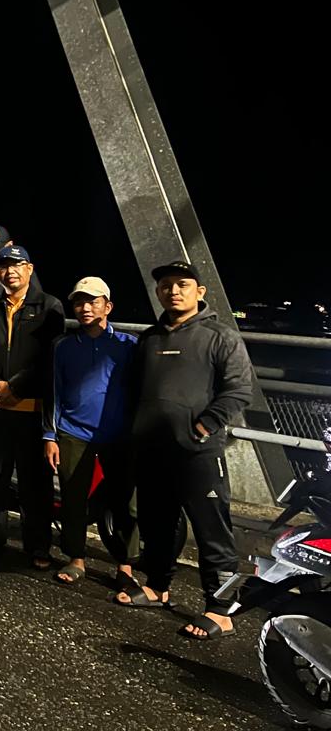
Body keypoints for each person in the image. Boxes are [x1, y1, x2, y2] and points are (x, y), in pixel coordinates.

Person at [120, 261, 254, 641]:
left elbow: (240, 389)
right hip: (152, 450)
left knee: (212, 530)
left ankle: (220, 610)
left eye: (182, 284)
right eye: (166, 285)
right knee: (157, 523)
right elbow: (134, 389)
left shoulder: (220, 336)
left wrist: (204, 425)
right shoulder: (149, 339)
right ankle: (157, 586)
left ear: (200, 291)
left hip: (198, 452)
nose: (173, 291)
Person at [0, 245, 64, 566]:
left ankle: (37, 545)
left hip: (30, 408)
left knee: (33, 479)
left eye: (16, 265)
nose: (9, 271)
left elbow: (48, 356)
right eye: (3, 267)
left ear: (29, 269)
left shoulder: (49, 306)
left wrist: (14, 386)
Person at [46, 277, 139, 587]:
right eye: (79, 302)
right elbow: (53, 392)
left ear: (107, 306)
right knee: (73, 497)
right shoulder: (63, 346)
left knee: (124, 501)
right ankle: (76, 558)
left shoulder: (128, 345)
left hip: (118, 435)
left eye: (93, 302)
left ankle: (125, 565)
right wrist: (50, 435)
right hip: (73, 431)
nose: (85, 308)